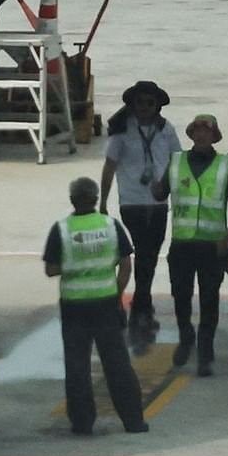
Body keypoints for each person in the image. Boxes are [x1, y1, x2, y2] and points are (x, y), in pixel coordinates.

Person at [45, 176, 149, 435]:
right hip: (106, 304)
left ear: (72, 200)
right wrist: (117, 292)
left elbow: (51, 269)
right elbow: (126, 263)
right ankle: (134, 421)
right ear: (95, 199)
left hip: (74, 307)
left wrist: (73, 265)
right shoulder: (111, 225)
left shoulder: (61, 229)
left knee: (77, 365)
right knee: (117, 364)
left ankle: (82, 423)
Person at [98, 80, 179, 353]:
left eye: (149, 103)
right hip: (132, 201)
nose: (144, 108)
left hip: (158, 202)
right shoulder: (121, 132)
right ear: (132, 105)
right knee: (142, 253)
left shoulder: (166, 130)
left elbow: (177, 163)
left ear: (157, 106)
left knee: (150, 256)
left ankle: (141, 305)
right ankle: (140, 309)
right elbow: (109, 166)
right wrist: (103, 201)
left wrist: (167, 187)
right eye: (140, 103)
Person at [162, 113, 228, 375]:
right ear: (191, 134)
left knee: (210, 299)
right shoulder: (175, 162)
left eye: (206, 131)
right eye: (196, 130)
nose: (201, 134)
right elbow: (160, 191)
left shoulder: (225, 164)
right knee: (180, 295)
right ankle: (186, 337)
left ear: (214, 135)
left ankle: (205, 351)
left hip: (212, 244)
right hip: (182, 243)